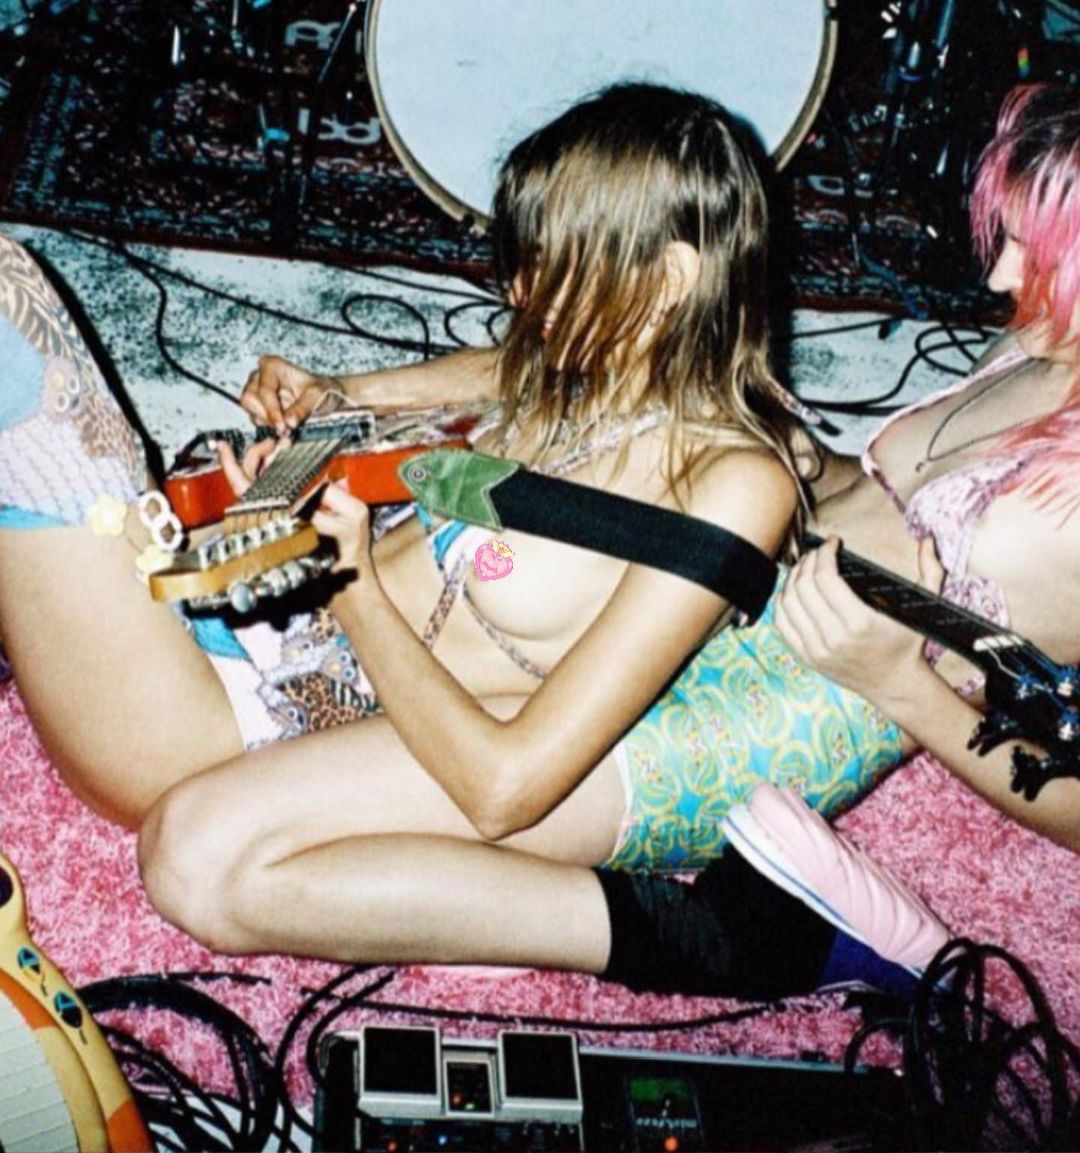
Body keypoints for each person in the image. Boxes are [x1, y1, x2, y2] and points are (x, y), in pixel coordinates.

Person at [138, 79, 1078, 988]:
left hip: (747, 726)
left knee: (206, 856)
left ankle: (726, 939)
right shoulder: (1047, 347)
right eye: (1013, 239)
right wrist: (355, 394)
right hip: (712, 601)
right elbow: (589, 351)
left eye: (1042, 255)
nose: (1000, 276)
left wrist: (901, 684)